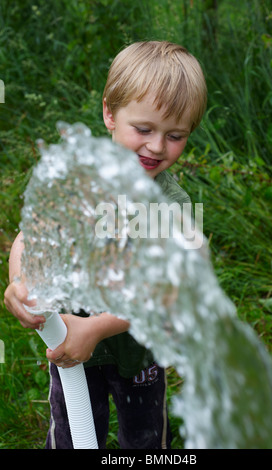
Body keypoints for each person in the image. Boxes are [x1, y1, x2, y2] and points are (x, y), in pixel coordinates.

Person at [4, 41, 207, 449]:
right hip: (69, 347)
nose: (156, 147)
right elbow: (31, 237)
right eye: (144, 129)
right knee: (73, 434)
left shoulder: (172, 206)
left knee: (145, 440)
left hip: (141, 351)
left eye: (175, 135)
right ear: (109, 114)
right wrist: (20, 283)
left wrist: (97, 327)